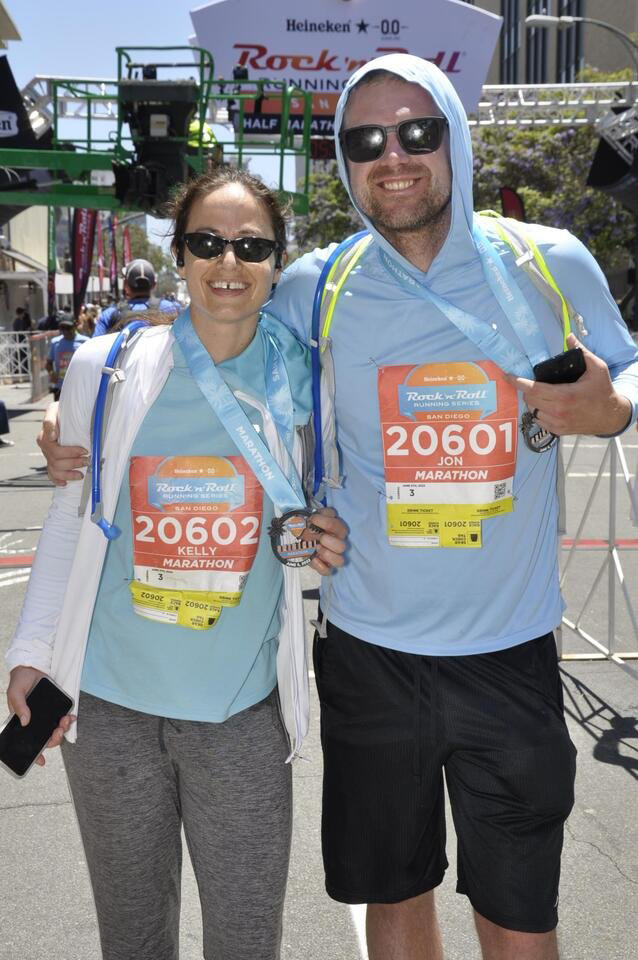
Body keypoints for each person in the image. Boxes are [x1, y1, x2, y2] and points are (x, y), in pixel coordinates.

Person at [36, 55, 638, 960]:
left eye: (416, 132)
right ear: (347, 163)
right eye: (365, 141)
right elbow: (213, 322)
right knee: (393, 899)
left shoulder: (548, 262)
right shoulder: (320, 282)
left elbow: (626, 365)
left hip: (508, 651)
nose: (392, 156)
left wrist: (614, 406)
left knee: (520, 918)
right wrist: (74, 394)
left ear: (454, 136)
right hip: (369, 655)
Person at [7, 167, 347, 960]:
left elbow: (337, 507)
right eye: (208, 242)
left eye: (251, 246)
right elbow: (70, 518)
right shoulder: (104, 367)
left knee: (244, 940)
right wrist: (30, 655)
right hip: (111, 711)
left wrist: (328, 536)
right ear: (179, 254)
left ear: (275, 260)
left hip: (241, 716)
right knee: (132, 939)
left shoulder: (309, 376)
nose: (228, 263)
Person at [93, 258, 178, 336]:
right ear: (154, 285)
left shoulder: (109, 315)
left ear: (126, 285)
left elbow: (94, 347)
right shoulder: (169, 308)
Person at [46, 315, 89, 401]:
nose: (65, 331)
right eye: (62, 328)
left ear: (75, 326)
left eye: (68, 328)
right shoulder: (55, 343)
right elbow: (49, 362)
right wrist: (51, 373)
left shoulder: (85, 342)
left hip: (79, 388)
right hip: (61, 387)